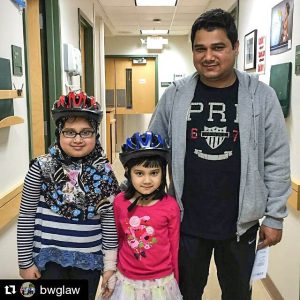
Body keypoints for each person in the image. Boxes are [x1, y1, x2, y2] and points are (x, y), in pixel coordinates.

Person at [149, 8, 291, 300]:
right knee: (184, 293)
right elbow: (152, 150)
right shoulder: (175, 96)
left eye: (218, 47)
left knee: (238, 294)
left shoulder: (261, 97)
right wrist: (143, 202)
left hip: (241, 225)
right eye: (200, 48)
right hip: (187, 222)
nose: (208, 56)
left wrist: (275, 217)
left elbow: (276, 158)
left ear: (235, 48)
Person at [17, 91, 120, 300]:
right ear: (59, 133)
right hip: (49, 260)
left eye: (86, 132)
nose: (78, 139)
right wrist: (25, 262)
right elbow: (26, 216)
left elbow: (109, 223)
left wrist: (110, 265)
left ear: (95, 134)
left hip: (88, 262)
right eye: (70, 132)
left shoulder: (105, 173)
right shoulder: (40, 168)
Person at [103, 131, 182, 300]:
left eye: (154, 173)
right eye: (139, 173)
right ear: (128, 172)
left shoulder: (170, 206)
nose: (147, 180)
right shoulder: (119, 202)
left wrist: (175, 280)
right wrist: (112, 272)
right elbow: (118, 239)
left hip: (161, 283)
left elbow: (174, 247)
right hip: (127, 282)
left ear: (162, 172)